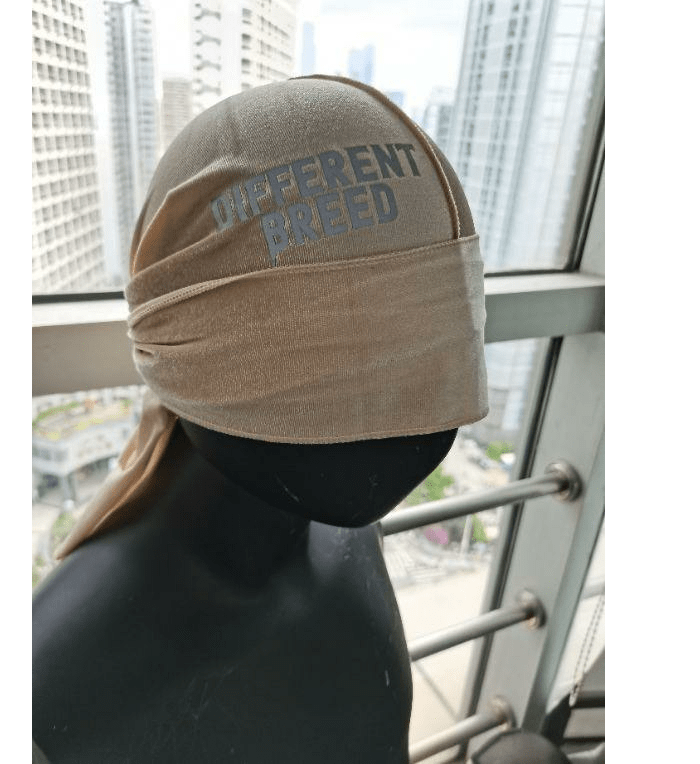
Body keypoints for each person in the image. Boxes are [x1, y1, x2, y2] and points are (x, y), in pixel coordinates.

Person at [33, 75, 488, 763]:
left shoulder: (346, 538)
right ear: (182, 347)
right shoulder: (52, 679)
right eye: (337, 360)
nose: (413, 423)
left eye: (435, 353)